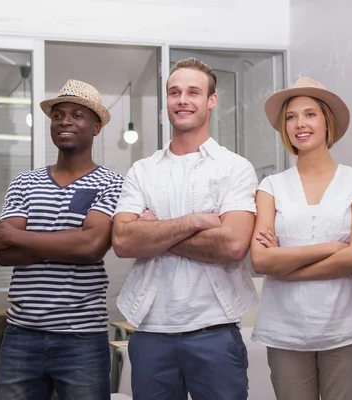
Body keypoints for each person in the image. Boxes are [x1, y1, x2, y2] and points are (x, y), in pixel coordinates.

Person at [112, 57, 258, 400]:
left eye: (193, 92)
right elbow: (121, 240)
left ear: (211, 100)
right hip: (150, 333)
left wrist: (153, 233)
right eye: (174, 92)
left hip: (215, 331)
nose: (182, 100)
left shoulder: (235, 168)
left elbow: (233, 244)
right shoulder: (142, 171)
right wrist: (195, 222)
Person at [0, 79, 124, 400]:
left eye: (78, 115)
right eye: (58, 115)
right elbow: (4, 253)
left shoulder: (111, 183)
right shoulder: (25, 182)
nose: (65, 121)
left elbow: (92, 249)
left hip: (82, 338)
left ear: (96, 126)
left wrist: (21, 236)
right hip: (21, 334)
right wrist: (71, 242)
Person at [250, 77, 352, 400]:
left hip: (346, 327)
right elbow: (261, 260)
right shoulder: (271, 186)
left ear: (326, 121)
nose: (299, 124)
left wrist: (285, 266)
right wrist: (334, 248)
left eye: (309, 114)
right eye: (291, 117)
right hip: (285, 329)